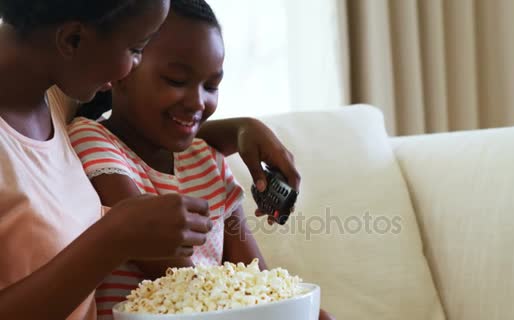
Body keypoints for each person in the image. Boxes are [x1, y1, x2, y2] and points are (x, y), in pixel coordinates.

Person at [0, 1, 299, 319]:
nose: (131, 67)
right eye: (135, 48)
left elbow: (140, 133)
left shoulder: (54, 88)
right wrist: (115, 236)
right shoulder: (63, 82)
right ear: (72, 40)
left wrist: (241, 129)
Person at [69, 1, 333, 319]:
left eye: (211, 86)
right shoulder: (92, 140)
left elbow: (253, 278)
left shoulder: (209, 161)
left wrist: (295, 309)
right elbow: (174, 276)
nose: (198, 102)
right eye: (177, 81)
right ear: (123, 70)